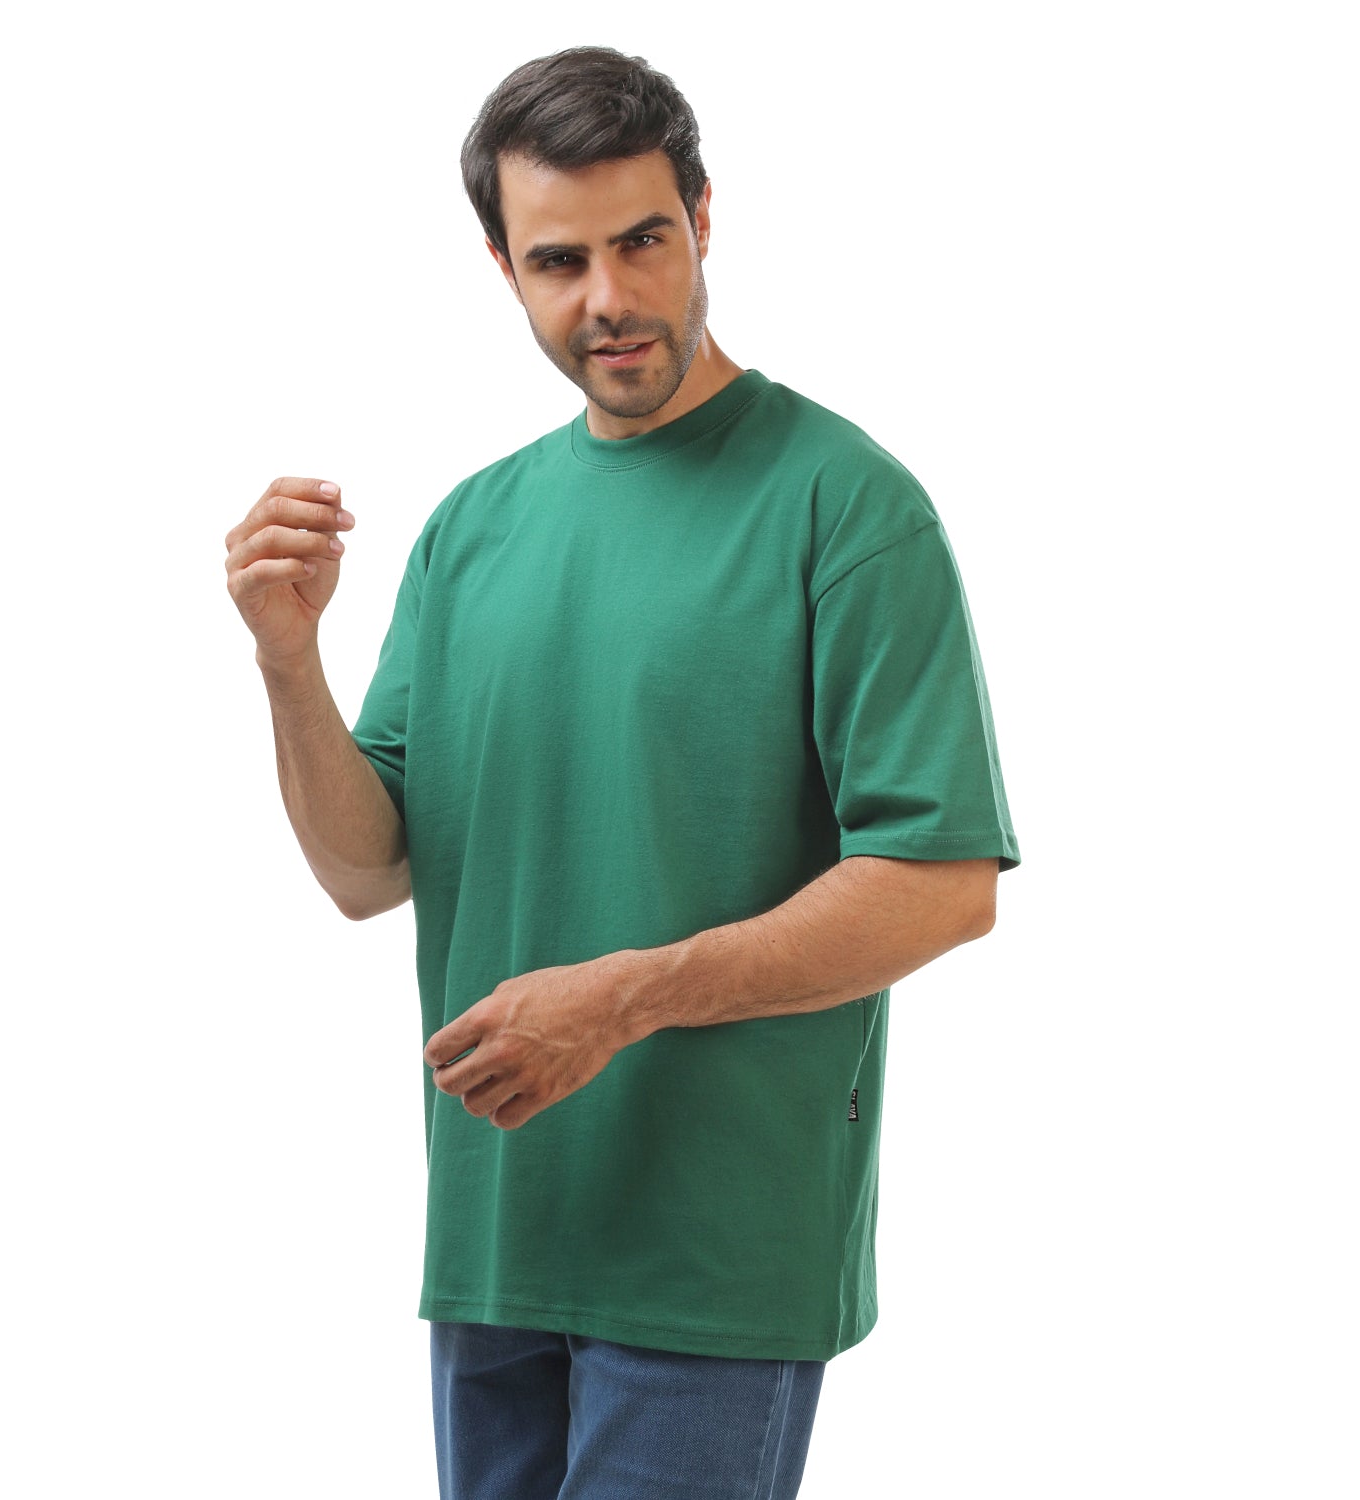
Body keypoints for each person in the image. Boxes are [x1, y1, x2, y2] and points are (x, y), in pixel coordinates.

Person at [224, 45, 1020, 1500]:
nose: (609, 299)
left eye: (643, 241)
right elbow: (366, 869)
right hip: (495, 1235)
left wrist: (623, 1000)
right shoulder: (473, 530)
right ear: (503, 268)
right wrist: (289, 660)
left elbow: (943, 884)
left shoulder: (846, 507)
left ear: (704, 217)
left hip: (715, 1257)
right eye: (560, 261)